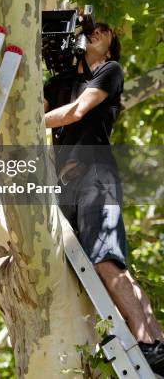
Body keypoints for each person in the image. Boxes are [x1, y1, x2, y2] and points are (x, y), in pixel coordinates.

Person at [44, 23, 164, 375]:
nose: (95, 32)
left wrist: (33, 123)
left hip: (96, 174)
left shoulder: (109, 71)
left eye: (104, 31)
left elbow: (77, 111)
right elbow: (35, 105)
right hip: (63, 186)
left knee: (105, 261)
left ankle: (149, 343)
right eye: (90, 30)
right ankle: (156, 340)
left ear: (111, 47)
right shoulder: (58, 82)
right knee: (86, 270)